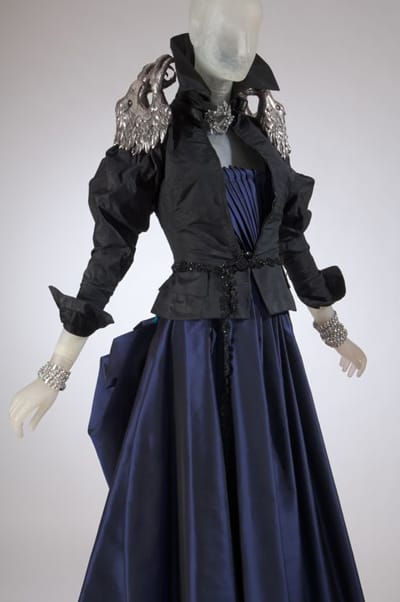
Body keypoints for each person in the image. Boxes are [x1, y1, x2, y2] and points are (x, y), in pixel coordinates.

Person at [8, 1, 367, 600]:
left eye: (251, 29)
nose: (240, 44)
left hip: (267, 343)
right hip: (195, 346)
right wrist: (56, 370)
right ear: (194, 31)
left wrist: (332, 328)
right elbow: (112, 249)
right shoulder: (161, 136)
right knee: (198, 485)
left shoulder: (259, 134)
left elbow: (290, 240)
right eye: (225, 27)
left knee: (272, 481)